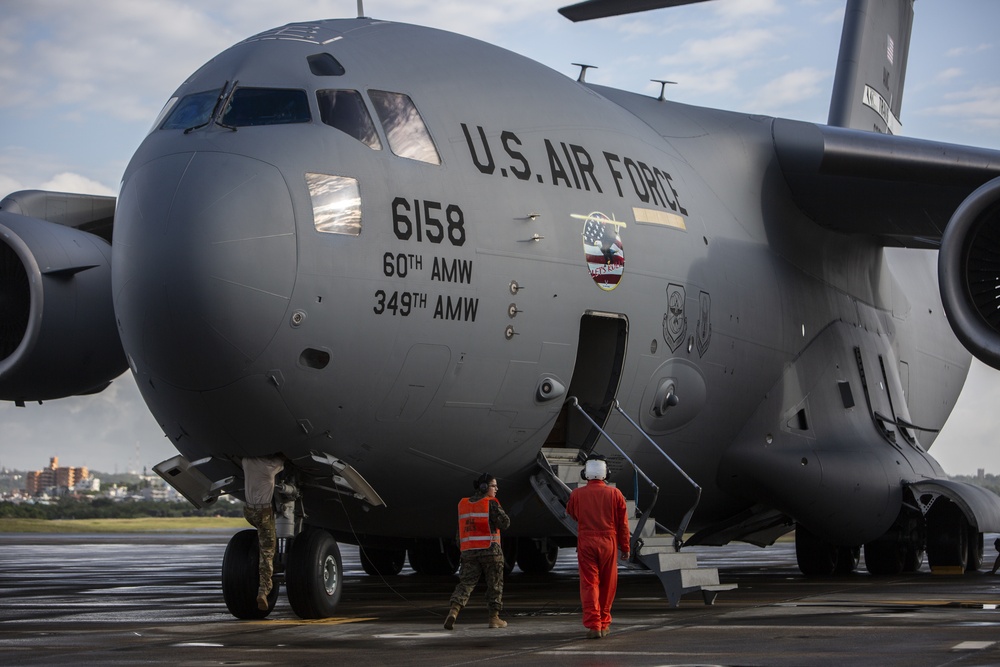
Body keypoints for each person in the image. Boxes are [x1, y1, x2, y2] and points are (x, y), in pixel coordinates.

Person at [566, 454, 630, 639]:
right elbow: (623, 524)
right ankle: (604, 622)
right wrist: (625, 547)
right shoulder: (615, 494)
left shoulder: (577, 494)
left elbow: (572, 513)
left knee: (589, 584)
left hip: (586, 540)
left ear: (585, 473)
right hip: (608, 540)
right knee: (608, 584)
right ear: (606, 473)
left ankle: (594, 625)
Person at [444, 473, 511, 630]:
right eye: (494, 486)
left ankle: (454, 611)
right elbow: (505, 523)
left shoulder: (464, 504)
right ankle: (494, 618)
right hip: (490, 550)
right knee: (494, 584)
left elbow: (459, 533)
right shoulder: (490, 503)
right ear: (484, 487)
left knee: (466, 584)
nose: (496, 489)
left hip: (469, 552)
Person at [241, 455, 285, 610]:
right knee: (267, 552)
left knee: (263, 540)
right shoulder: (268, 468)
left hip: (249, 511)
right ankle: (263, 590)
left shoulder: (247, 462)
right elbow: (281, 463)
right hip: (263, 514)